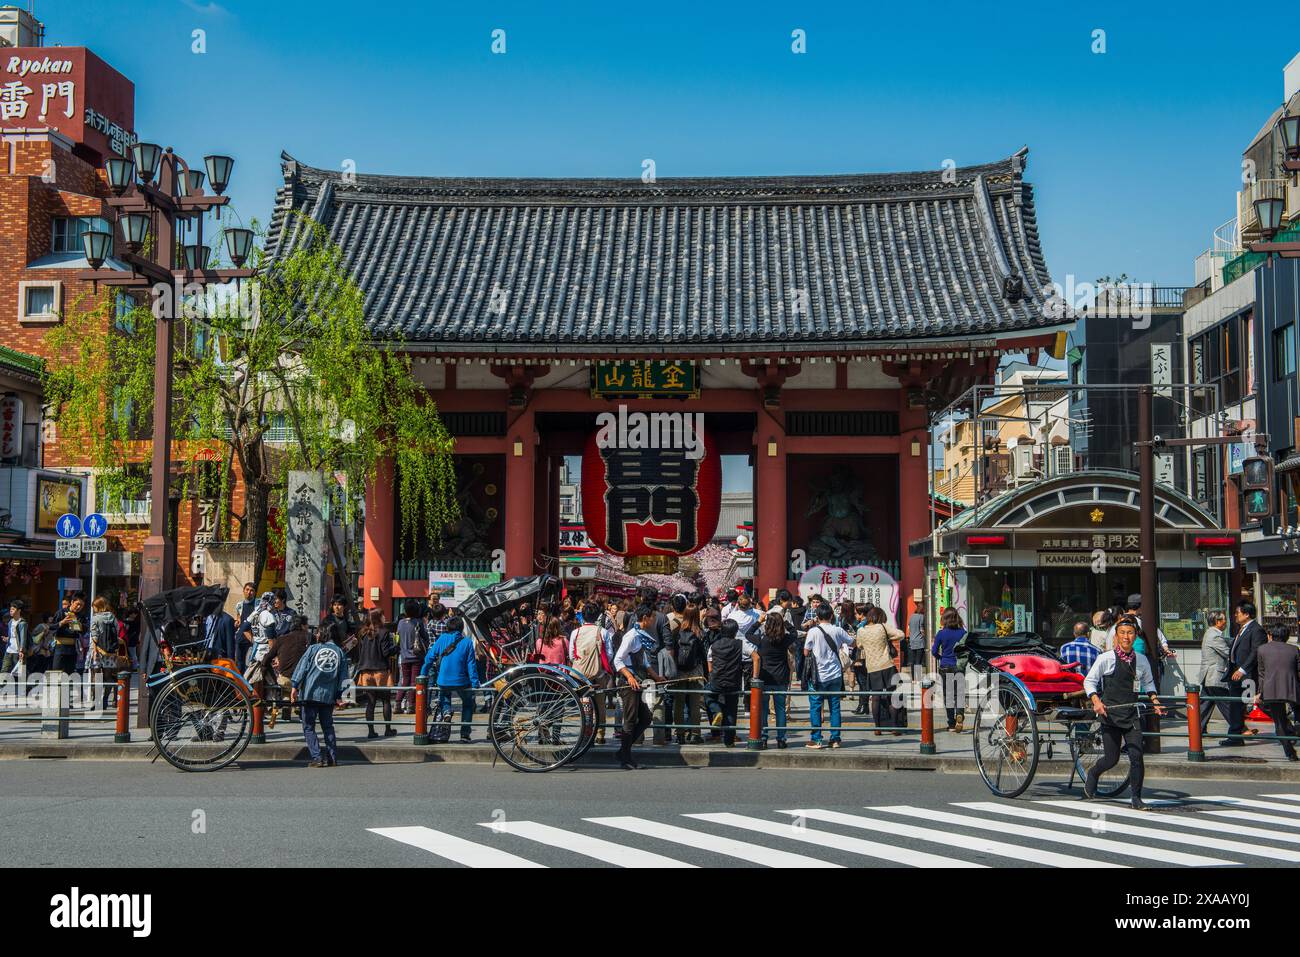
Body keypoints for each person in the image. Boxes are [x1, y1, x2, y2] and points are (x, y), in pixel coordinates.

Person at [1082, 615, 1164, 810]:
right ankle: (1093, 773)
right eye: (1122, 633)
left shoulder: (1142, 660)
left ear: (1136, 636)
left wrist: (1155, 701)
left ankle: (1136, 798)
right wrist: (1096, 701)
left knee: (1137, 756)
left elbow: (1149, 683)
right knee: (1112, 759)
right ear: (1116, 637)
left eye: (1130, 633)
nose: (1126, 637)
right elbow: (1089, 681)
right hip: (1109, 714)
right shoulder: (1106, 658)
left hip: (1131, 714)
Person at [612, 604, 667, 769]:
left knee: (645, 718)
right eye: (652, 617)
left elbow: (643, 661)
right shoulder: (631, 636)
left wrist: (657, 677)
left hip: (638, 680)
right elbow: (617, 659)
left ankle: (623, 750)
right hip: (628, 683)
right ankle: (625, 758)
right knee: (629, 720)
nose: (654, 619)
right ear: (645, 618)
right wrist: (629, 677)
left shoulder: (641, 635)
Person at [291, 622, 351, 768]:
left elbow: (302, 668)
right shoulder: (339, 652)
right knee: (328, 726)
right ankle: (332, 757)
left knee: (309, 726)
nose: (316, 634)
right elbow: (344, 677)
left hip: (310, 693)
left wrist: (294, 686)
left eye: (318, 632)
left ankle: (317, 757)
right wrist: (342, 696)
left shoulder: (313, 649)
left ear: (323, 633)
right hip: (328, 696)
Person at [420, 614, 478, 742]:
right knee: (468, 704)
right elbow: (471, 664)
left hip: (443, 680)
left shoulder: (441, 639)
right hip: (461, 681)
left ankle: (446, 711)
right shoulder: (467, 642)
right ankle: (465, 735)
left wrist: (423, 674)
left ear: (448, 627)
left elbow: (429, 658)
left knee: (444, 696)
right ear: (461, 628)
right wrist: (474, 682)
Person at [803, 604, 855, 750]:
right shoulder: (838, 630)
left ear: (817, 617)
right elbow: (852, 642)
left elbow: (806, 652)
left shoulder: (813, 631)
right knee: (835, 708)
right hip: (835, 675)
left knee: (815, 708)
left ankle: (817, 739)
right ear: (832, 616)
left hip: (817, 675)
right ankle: (835, 739)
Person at [1223, 600, 1267, 747]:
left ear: (1247, 614)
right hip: (1236, 674)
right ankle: (1234, 736)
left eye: (1238, 613)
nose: (1235, 616)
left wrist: (1242, 669)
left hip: (1247, 674)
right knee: (1235, 705)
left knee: (1261, 704)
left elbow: (1255, 652)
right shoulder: (1242, 629)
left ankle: (1289, 730)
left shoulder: (1256, 630)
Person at [1253, 624, 1300, 761]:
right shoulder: (1294, 649)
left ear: (1271, 635)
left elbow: (1261, 673)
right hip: (1292, 688)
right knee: (1297, 713)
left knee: (1279, 722)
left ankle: (1289, 752)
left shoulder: (1262, 650)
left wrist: (1260, 692)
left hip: (1271, 689)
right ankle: (1296, 728)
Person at [857, 605, 906, 735]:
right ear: (880, 617)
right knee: (892, 696)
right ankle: (895, 726)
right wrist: (888, 638)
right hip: (887, 666)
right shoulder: (882, 627)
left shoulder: (861, 630)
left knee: (876, 698)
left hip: (872, 667)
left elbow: (859, 645)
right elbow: (901, 634)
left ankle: (877, 727)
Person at [703, 619, 753, 747]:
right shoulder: (740, 644)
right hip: (734, 682)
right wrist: (756, 676)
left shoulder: (714, 645)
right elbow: (756, 657)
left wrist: (712, 673)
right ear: (735, 632)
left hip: (717, 681)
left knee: (707, 694)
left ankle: (716, 710)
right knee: (731, 710)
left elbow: (709, 662)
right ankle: (729, 741)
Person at [352, 609, 398, 738]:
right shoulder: (384, 632)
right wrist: (397, 647)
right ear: (379, 618)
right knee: (386, 701)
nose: (385, 617)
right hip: (380, 670)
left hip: (366, 671)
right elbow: (386, 652)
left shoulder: (364, 633)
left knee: (370, 702)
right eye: (383, 615)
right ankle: (388, 729)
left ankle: (371, 731)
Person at [667, 595, 705, 745]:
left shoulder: (677, 632)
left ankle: (680, 734)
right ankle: (695, 734)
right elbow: (704, 654)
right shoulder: (700, 633)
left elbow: (672, 651)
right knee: (695, 704)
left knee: (679, 703)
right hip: (695, 671)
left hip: (679, 672)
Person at [755, 609, 796, 748]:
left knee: (764, 710)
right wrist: (785, 622)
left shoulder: (762, 640)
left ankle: (764, 738)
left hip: (765, 677)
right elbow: (795, 633)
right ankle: (781, 739)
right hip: (781, 677)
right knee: (780, 709)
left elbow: (747, 634)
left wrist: (758, 622)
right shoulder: (784, 639)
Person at [571, 610, 612, 745]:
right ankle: (600, 734)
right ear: (597, 617)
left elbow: (572, 655)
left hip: (580, 675)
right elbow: (610, 654)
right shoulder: (603, 632)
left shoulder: (575, 632)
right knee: (600, 706)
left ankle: (586, 734)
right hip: (599, 674)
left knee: (584, 705)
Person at [930, 608, 968, 732]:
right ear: (957, 618)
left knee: (949, 695)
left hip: (945, 666)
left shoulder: (941, 633)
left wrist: (941, 658)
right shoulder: (963, 633)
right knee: (959, 694)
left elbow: (934, 651)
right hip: (959, 666)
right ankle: (960, 715)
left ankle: (951, 724)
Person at [268, 615, 311, 721]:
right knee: (300, 682)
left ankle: (287, 706)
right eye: (307, 625)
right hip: (301, 682)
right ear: (303, 626)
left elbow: (267, 657)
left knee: (286, 688)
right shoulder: (309, 637)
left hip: (284, 680)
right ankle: (298, 707)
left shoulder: (281, 639)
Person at [1197, 610, 1234, 735]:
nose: (1226, 622)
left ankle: (1198, 729)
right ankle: (1239, 728)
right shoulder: (1215, 635)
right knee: (1226, 703)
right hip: (1214, 676)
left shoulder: (1211, 633)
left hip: (1208, 676)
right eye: (1224, 619)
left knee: (1205, 704)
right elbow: (1228, 652)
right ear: (1218, 622)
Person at [395, 599, 427, 714]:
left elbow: (397, 638)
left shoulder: (401, 623)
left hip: (404, 656)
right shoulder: (419, 622)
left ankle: (398, 703)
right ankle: (411, 705)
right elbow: (425, 637)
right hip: (416, 656)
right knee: (414, 682)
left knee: (405, 681)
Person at [52, 595, 85, 675]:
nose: (79, 607)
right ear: (72, 602)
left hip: (73, 648)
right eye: (77, 604)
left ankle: (67, 687)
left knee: (70, 673)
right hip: (60, 647)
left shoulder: (81, 616)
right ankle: (55, 687)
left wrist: (79, 625)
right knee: (56, 672)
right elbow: (51, 627)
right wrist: (62, 623)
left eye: (81, 605)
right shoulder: (60, 612)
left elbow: (84, 631)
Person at [233, 582, 256, 669]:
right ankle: (239, 682)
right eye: (247, 589)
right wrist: (237, 622)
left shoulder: (257, 604)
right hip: (240, 638)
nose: (249, 592)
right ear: (243, 591)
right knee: (239, 663)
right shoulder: (239, 605)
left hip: (251, 638)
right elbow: (239, 618)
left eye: (251, 590)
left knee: (249, 664)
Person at [2, 600, 27, 677]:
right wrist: (7, 639)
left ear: (19, 611)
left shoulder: (22, 623)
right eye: (10, 609)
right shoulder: (10, 622)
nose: (11, 611)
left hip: (17, 651)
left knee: (19, 673)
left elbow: (23, 638)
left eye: (13, 609)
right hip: (9, 650)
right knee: (4, 670)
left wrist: (21, 651)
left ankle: (27, 686)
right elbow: (13, 636)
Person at [905, 600, 927, 680]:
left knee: (912, 662)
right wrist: (926, 636)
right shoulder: (922, 617)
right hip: (919, 642)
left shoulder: (912, 616)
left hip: (912, 641)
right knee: (918, 661)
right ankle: (918, 679)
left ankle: (913, 679)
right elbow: (921, 629)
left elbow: (909, 628)